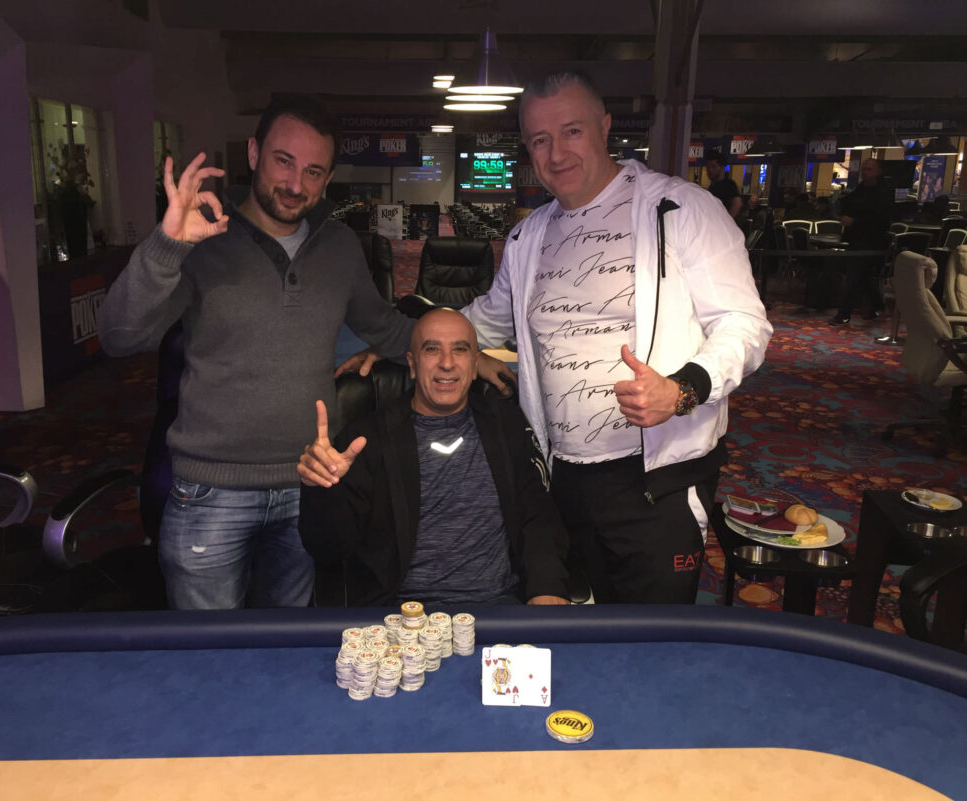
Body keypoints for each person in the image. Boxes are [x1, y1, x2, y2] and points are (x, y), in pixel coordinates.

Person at [460, 71, 772, 604]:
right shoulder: (527, 236)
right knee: (573, 624)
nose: (557, 153)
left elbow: (744, 324)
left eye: (572, 131)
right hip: (562, 476)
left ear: (604, 128)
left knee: (652, 633)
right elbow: (488, 319)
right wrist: (402, 338)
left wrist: (682, 389)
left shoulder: (682, 209)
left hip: (657, 479)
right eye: (539, 140)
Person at [98, 94, 414, 610]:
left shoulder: (340, 246)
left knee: (287, 647)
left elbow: (386, 328)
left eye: (313, 171)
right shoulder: (203, 239)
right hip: (210, 493)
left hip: (308, 485)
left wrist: (473, 349)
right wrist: (166, 246)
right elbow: (119, 337)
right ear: (252, 153)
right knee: (209, 652)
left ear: (328, 179)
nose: (295, 184)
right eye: (283, 161)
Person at [297, 309, 571, 606]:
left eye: (460, 349)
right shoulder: (365, 439)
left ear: (475, 364)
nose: (447, 363)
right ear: (412, 364)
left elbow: (537, 516)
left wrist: (548, 587)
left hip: (498, 608)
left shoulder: (506, 425)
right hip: (400, 618)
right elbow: (328, 548)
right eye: (432, 350)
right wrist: (323, 488)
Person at [829, 158, 894, 326]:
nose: (865, 172)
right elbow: (847, 205)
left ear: (878, 171)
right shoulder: (860, 189)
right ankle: (877, 306)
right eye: (864, 169)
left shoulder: (883, 193)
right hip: (856, 239)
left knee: (854, 276)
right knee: (862, 277)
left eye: (869, 169)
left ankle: (844, 314)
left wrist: (855, 222)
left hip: (872, 242)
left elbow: (881, 220)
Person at [704, 150, 742, 218]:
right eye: (708, 167)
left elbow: (737, 203)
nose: (710, 170)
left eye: (713, 167)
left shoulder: (729, 185)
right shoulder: (712, 187)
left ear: (721, 167)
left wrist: (727, 220)